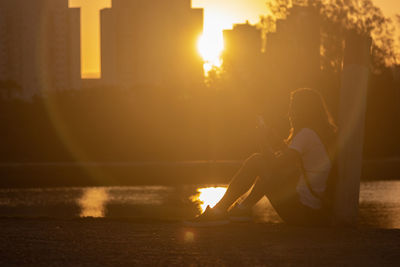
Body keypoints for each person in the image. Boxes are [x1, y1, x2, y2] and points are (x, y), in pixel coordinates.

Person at [185, 88, 338, 227]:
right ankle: (240, 210)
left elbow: (276, 166)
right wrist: (271, 139)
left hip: (303, 213)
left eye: (293, 106)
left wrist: (262, 138)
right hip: (312, 212)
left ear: (302, 110)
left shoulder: (306, 134)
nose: (289, 112)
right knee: (261, 162)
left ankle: (222, 211)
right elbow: (282, 164)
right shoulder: (317, 134)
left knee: (257, 160)